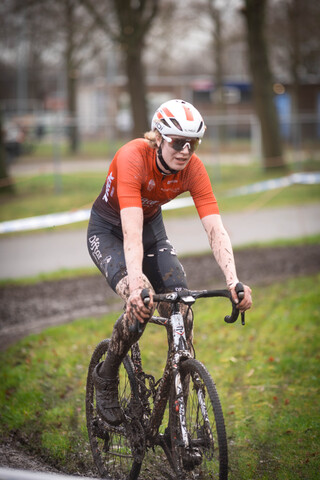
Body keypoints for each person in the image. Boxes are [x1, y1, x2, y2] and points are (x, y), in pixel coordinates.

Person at [87, 99, 252, 426]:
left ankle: (179, 407)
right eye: (178, 142)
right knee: (142, 302)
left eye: (194, 143)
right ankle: (106, 377)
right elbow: (130, 235)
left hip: (150, 230)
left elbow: (215, 229)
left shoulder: (193, 168)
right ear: (158, 137)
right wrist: (136, 288)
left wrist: (234, 280)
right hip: (110, 231)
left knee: (183, 308)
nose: (186, 150)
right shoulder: (133, 156)